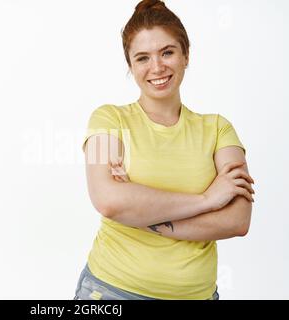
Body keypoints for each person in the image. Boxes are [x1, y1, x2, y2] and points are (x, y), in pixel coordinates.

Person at [73, 0, 255, 300]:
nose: (157, 67)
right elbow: (107, 201)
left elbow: (238, 219)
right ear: (130, 66)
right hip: (112, 292)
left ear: (186, 55)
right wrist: (208, 199)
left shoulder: (220, 129)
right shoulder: (105, 120)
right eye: (142, 58)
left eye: (167, 52)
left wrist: (138, 212)